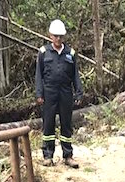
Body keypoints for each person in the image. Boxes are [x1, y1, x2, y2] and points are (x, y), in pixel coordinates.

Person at [35, 19, 83, 168]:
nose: (58, 38)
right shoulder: (43, 52)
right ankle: (48, 155)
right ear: (50, 36)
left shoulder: (71, 53)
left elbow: (75, 75)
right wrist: (39, 94)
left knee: (66, 123)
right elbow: (39, 75)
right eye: (55, 36)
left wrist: (79, 92)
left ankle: (67, 155)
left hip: (65, 92)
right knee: (48, 123)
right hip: (49, 91)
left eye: (60, 36)